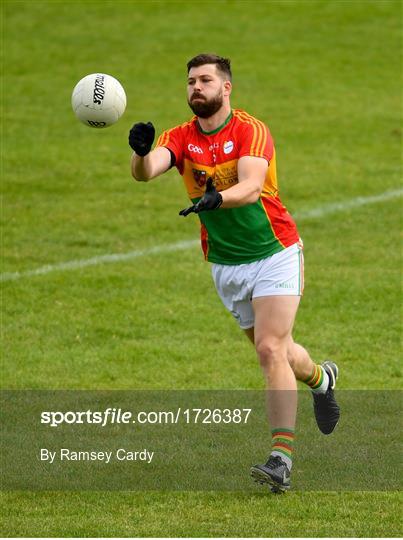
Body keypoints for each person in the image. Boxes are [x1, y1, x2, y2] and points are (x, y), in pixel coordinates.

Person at [128, 53, 340, 493]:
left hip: (274, 251)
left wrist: (216, 199)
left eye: (205, 80)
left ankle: (281, 459)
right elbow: (148, 173)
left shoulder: (250, 129)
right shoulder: (181, 136)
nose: (196, 87)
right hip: (226, 264)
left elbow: (250, 186)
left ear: (226, 88)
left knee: (269, 348)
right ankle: (321, 379)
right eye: (191, 81)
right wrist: (139, 152)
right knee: (280, 352)